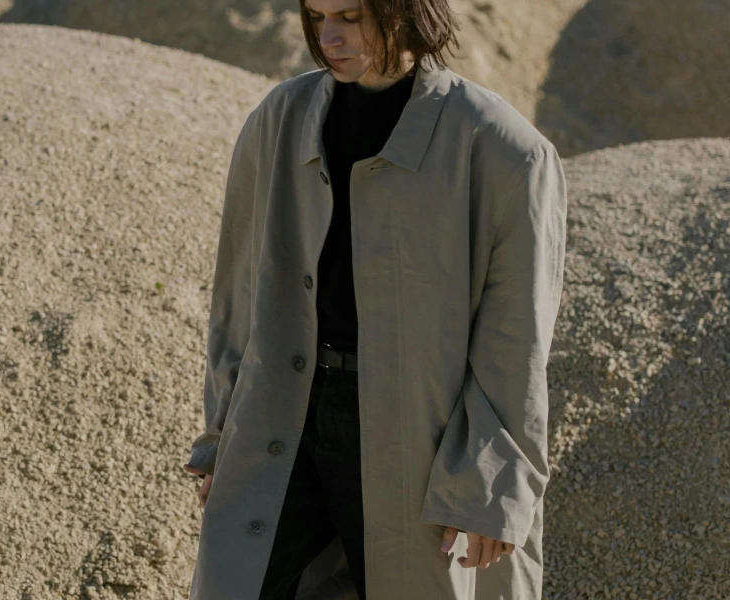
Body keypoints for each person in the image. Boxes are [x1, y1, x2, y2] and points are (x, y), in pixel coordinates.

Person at [183, 1, 567, 598]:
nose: (328, 36)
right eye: (316, 16)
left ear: (405, 12)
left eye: (350, 16)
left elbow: (516, 338)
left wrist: (489, 485)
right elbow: (237, 292)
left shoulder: (503, 149)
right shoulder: (280, 119)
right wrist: (220, 438)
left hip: (418, 432)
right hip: (284, 413)